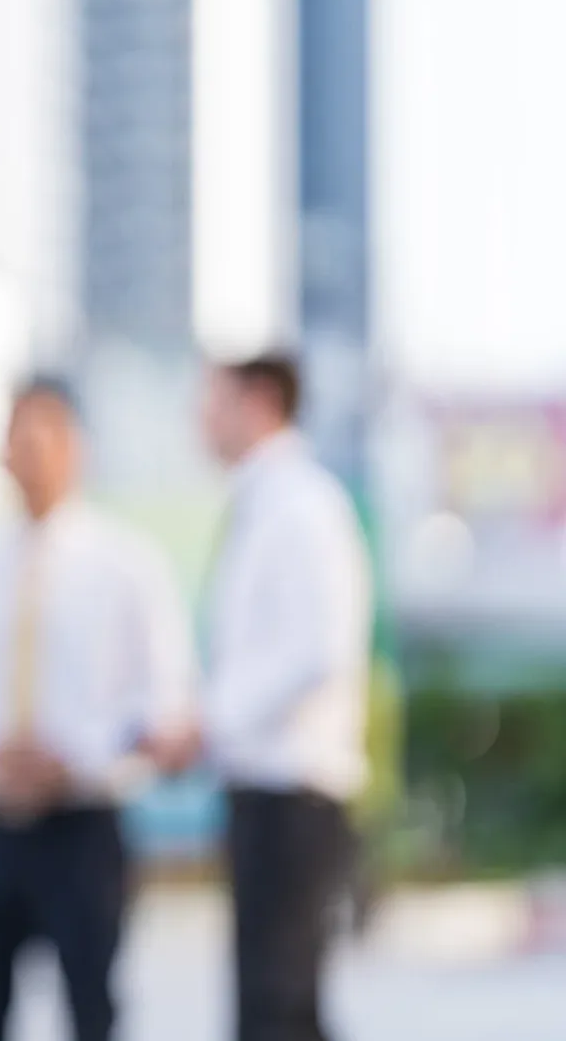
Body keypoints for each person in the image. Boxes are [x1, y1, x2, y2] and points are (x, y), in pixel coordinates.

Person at [0, 379, 195, 1041]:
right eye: (16, 438)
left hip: (83, 829)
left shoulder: (127, 567)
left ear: (76, 448)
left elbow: (162, 695)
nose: (29, 454)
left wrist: (76, 760)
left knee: (93, 1014)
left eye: (44, 436)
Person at [197, 354, 371, 1041]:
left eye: (214, 403)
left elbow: (316, 649)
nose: (202, 422)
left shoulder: (303, 506)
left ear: (259, 400)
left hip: (293, 795)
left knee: (280, 1007)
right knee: (277, 1006)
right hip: (263, 790)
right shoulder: (264, 504)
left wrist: (210, 721)